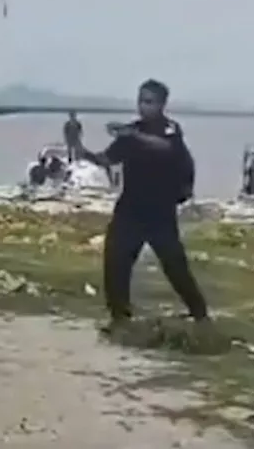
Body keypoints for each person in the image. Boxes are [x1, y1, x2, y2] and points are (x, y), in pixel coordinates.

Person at [76, 79, 208, 332]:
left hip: (160, 212)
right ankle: (119, 318)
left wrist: (132, 135)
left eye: (149, 102)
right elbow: (108, 158)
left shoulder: (170, 129)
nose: (143, 107)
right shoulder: (131, 132)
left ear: (161, 104)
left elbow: (165, 148)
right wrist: (82, 151)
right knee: (115, 261)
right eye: (140, 101)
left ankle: (200, 315)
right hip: (131, 209)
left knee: (174, 265)